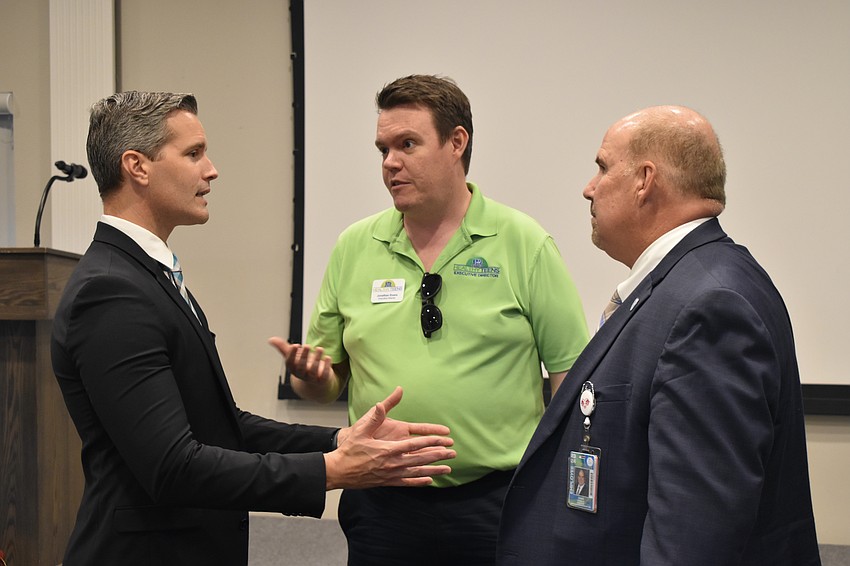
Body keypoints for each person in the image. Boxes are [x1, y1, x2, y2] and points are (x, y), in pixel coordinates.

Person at [51, 91, 457, 566]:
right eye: (193, 153)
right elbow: (172, 466)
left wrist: (335, 441)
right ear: (137, 167)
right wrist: (330, 469)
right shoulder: (111, 292)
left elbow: (221, 425)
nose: (211, 170)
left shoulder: (144, 274)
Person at [270, 74, 589, 565]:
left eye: (407, 144)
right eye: (383, 149)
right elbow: (326, 384)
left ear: (456, 142)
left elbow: (571, 384)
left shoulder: (523, 243)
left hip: (497, 501)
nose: (390, 163)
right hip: (381, 503)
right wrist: (311, 376)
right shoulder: (355, 246)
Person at [495, 106, 821, 565]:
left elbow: (692, 537)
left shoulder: (709, 305)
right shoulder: (689, 283)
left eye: (603, 168)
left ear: (645, 181)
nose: (588, 188)